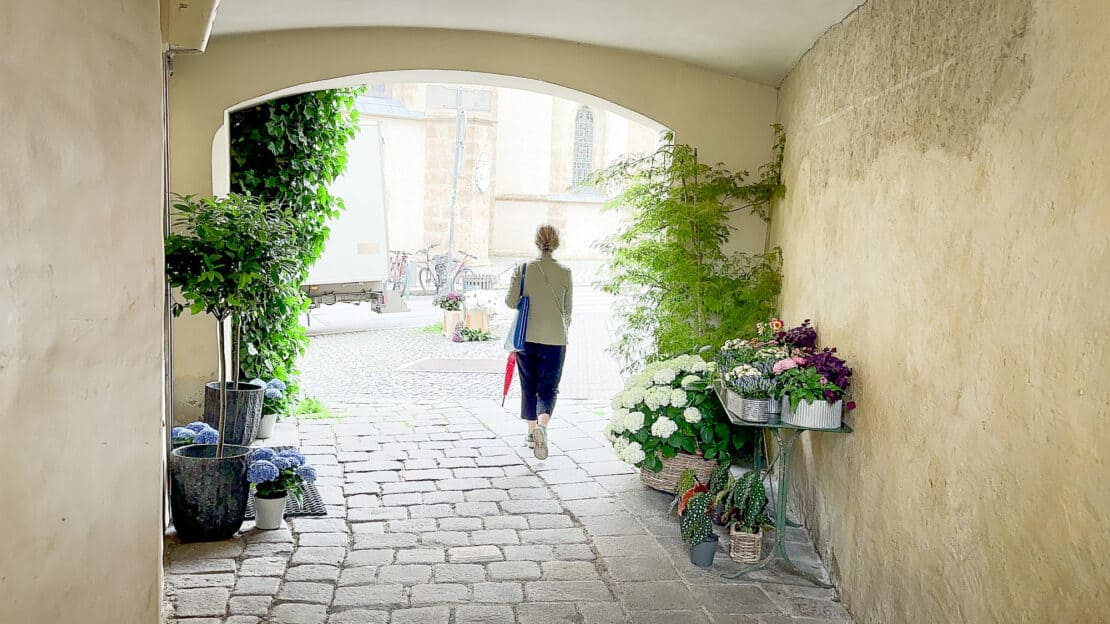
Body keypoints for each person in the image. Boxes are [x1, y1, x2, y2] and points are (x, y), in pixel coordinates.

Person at [505, 224, 573, 460]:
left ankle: (531, 432)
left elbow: (511, 302)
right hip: (556, 338)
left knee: (529, 385)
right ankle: (543, 427)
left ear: (536, 242)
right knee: (549, 387)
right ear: (556, 243)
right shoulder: (565, 272)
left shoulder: (523, 269)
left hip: (528, 337)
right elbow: (568, 310)